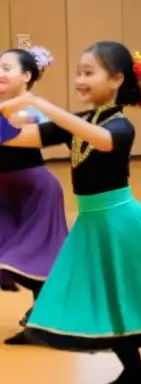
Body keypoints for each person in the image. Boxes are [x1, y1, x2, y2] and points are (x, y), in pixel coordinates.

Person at [0, 42, 141, 384]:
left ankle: (134, 370)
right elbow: (22, 138)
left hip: (120, 221)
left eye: (88, 73)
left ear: (116, 80)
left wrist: (39, 103)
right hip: (92, 223)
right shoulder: (80, 121)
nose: (80, 80)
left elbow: (105, 141)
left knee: (122, 293)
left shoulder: (120, 125)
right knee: (109, 295)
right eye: (78, 72)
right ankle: (134, 372)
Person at [0, 45, 68, 345]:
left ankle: (43, 319)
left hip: (35, 190)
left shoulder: (32, 111)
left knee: (37, 256)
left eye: (6, 68)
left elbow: (16, 127)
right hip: (4, 192)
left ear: (26, 75)